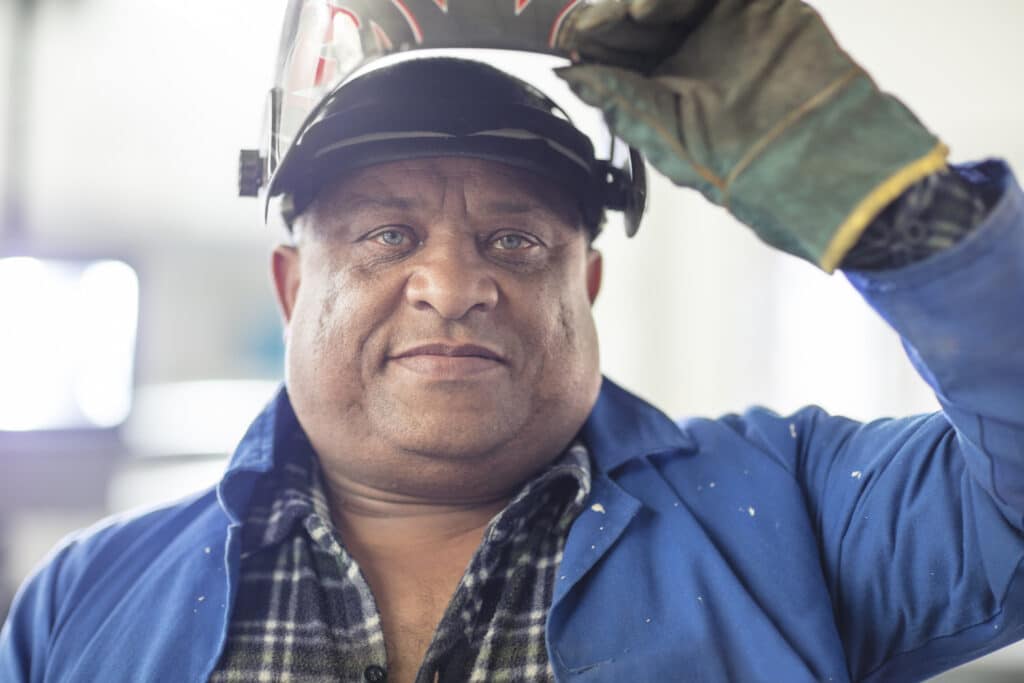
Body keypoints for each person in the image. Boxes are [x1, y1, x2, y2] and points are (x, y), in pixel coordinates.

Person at [2, 1, 1023, 681]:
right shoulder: (80, 603)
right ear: (290, 283)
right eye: (387, 235)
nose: (452, 285)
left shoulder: (797, 511)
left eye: (514, 238)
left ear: (584, 283)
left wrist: (896, 215)